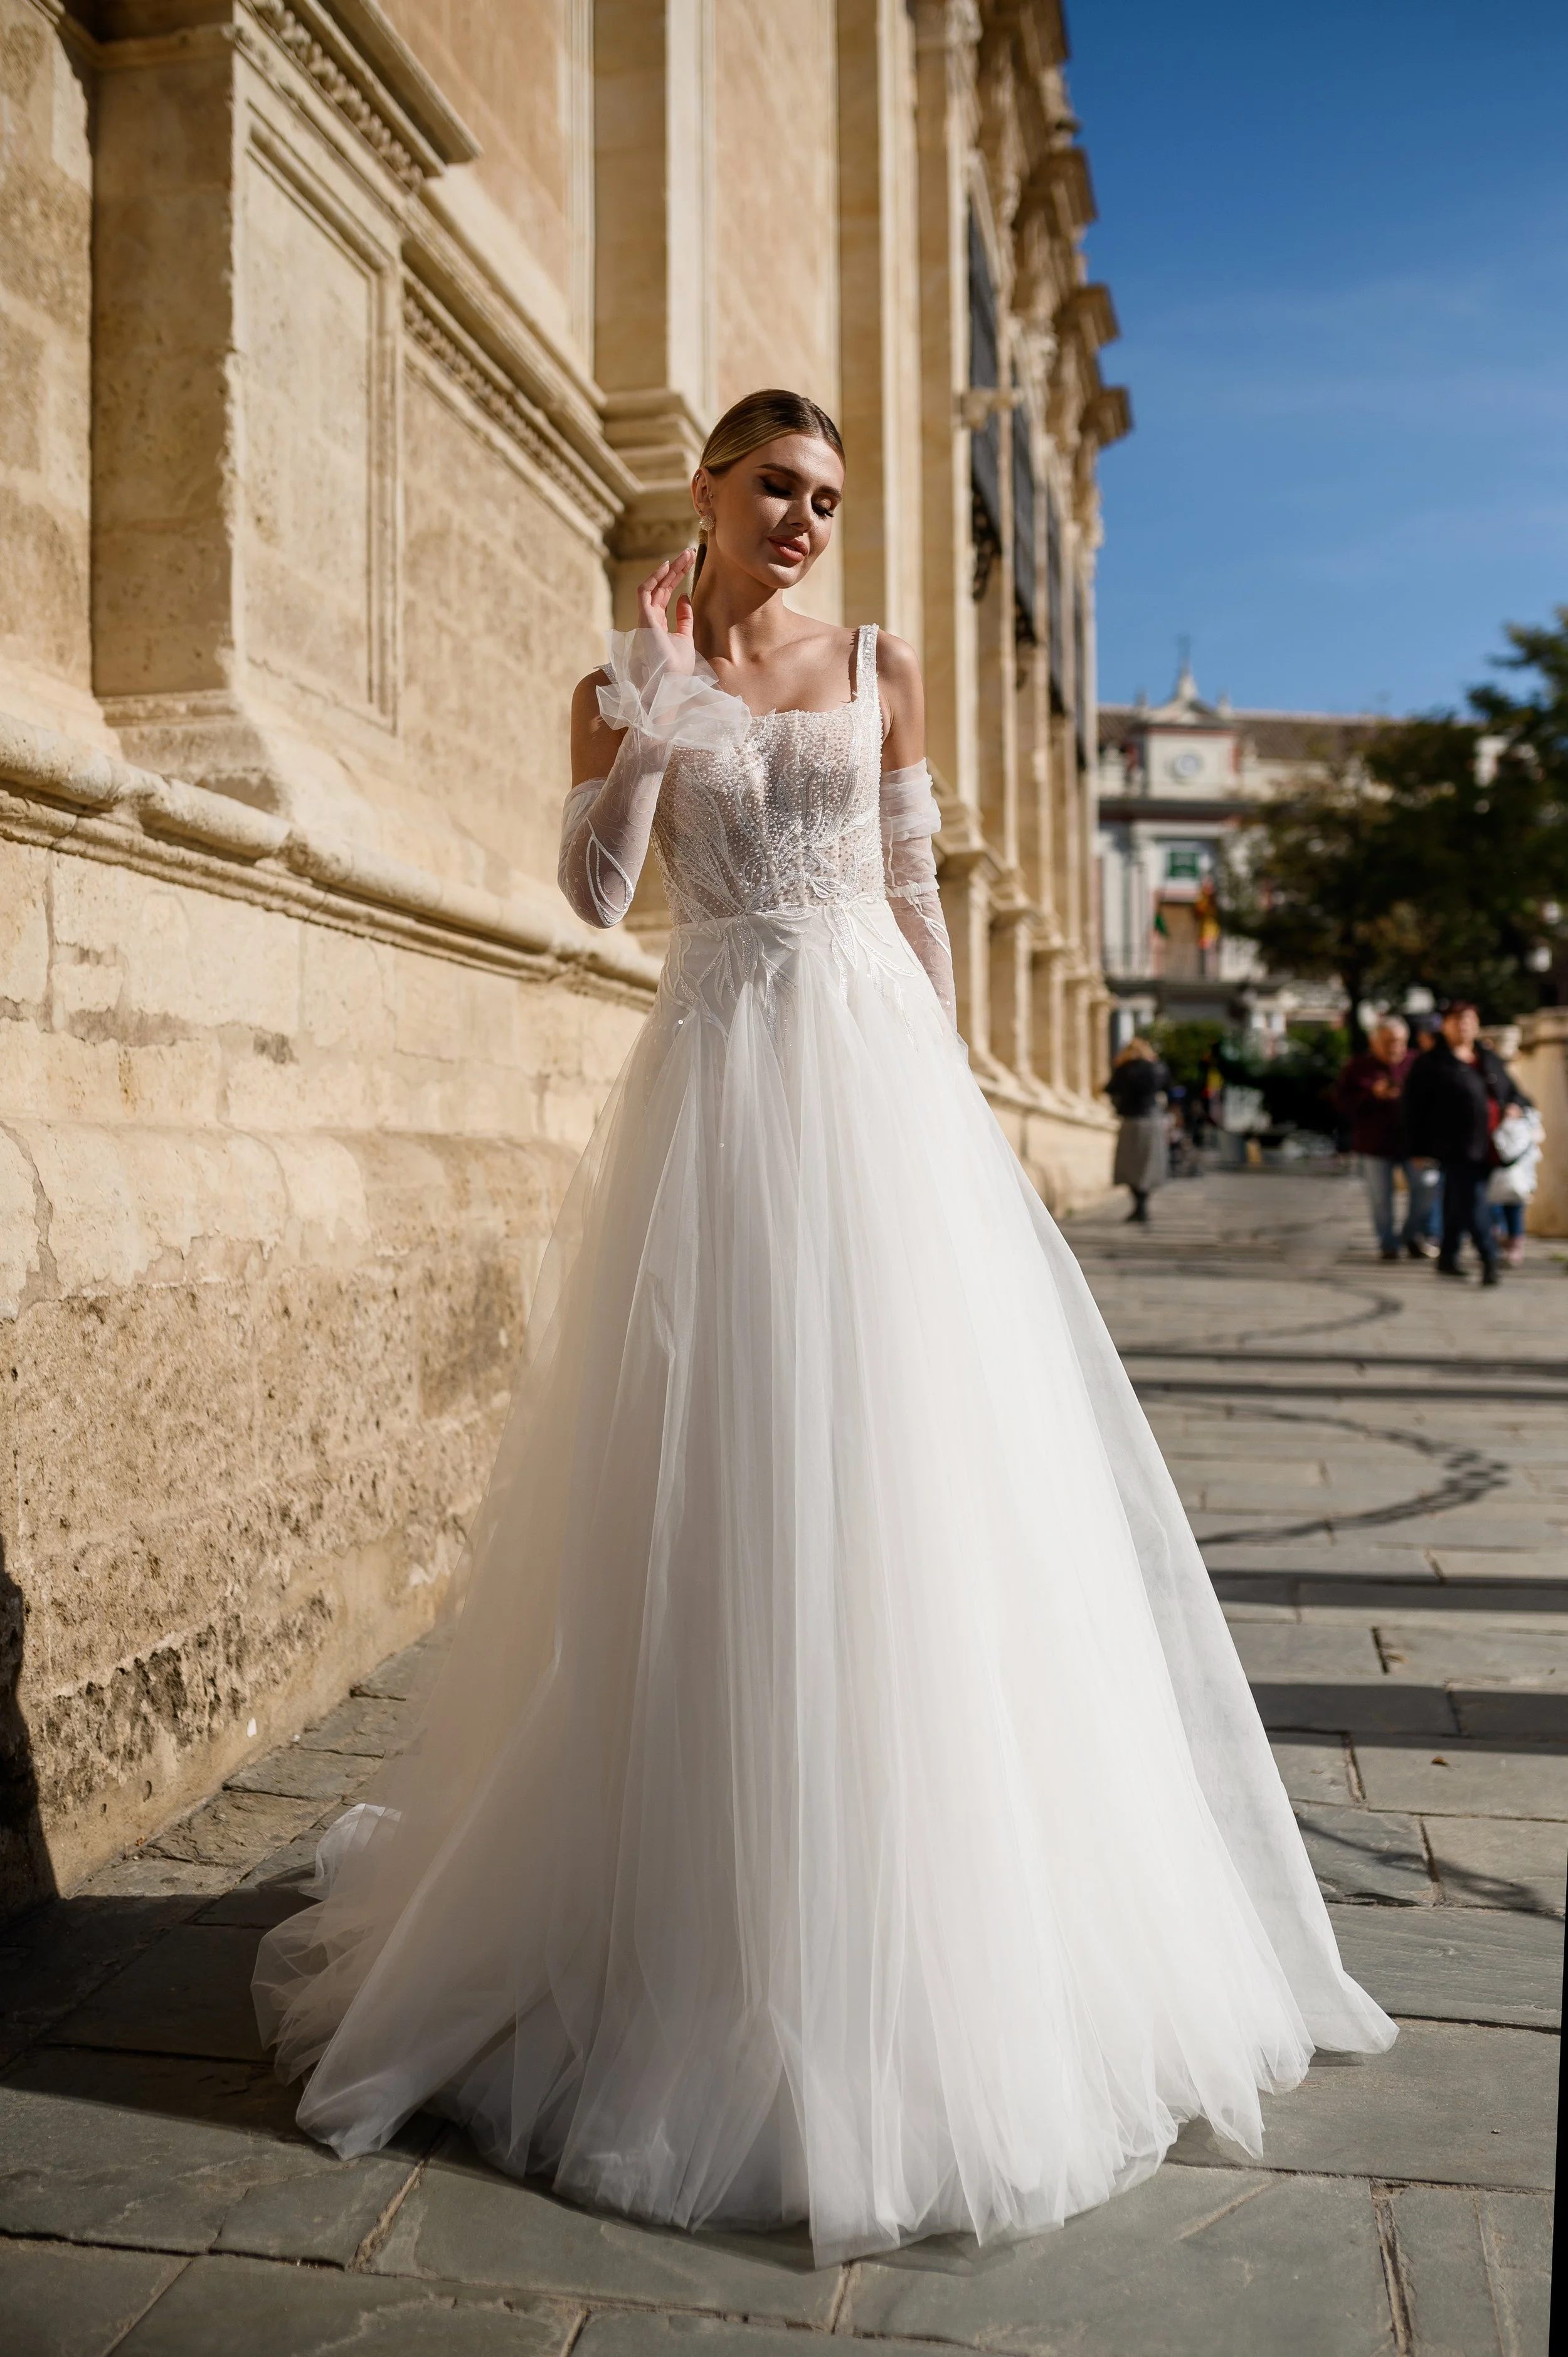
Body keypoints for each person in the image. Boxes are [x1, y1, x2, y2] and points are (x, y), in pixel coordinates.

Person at [254, 388, 1392, 2263]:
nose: (803, 520)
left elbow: (913, 895)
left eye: (829, 498)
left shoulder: (879, 664)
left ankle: (926, 1917)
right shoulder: (620, 685)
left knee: (909, 1485)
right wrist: (644, 708)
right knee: (712, 1482)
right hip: (713, 1084)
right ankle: (698, 1919)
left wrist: (947, 1102)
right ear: (703, 489)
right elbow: (594, 895)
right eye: (774, 488)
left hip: (867, 1085)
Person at [1404, 1001, 1529, 1286]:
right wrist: (1416, 1148)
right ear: (1445, 1026)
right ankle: (1489, 1256)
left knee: (1456, 1200)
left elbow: (1516, 1093)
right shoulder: (1431, 1062)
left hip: (1493, 1145)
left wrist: (1514, 1106)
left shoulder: (1487, 1058)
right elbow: (1413, 1108)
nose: (1464, 1026)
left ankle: (1448, 1256)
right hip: (1455, 1146)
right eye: (1457, 1021)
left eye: (1469, 1020)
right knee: (1473, 1200)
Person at [1333, 1016, 1436, 1262]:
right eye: (1389, 1041)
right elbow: (1342, 1104)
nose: (1395, 1047)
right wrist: (1372, 1095)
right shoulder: (1358, 1067)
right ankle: (1388, 1245)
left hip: (1414, 1145)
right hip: (1374, 1146)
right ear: (1375, 1042)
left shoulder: (1418, 1064)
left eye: (1400, 1041)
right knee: (1381, 1200)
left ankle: (1411, 1235)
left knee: (1427, 1190)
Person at [1106, 1036, 1170, 1221]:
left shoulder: (1124, 1069)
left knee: (1130, 1164)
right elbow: (1168, 1087)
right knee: (1148, 1164)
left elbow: (1110, 1089)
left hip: (1130, 1119)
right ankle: (1143, 1205)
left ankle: (1139, 1205)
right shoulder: (1157, 1068)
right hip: (1152, 1118)